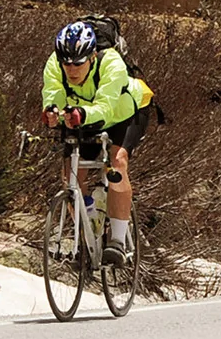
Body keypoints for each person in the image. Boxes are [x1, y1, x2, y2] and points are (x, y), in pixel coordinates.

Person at [41, 20, 150, 266]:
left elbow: (106, 106)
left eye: (78, 62)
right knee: (70, 170)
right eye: (66, 62)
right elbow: (53, 92)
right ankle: (88, 221)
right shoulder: (55, 62)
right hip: (83, 115)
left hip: (125, 113)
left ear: (91, 56)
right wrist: (52, 111)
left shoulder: (111, 62)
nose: (71, 68)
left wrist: (81, 114)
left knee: (117, 162)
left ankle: (118, 242)